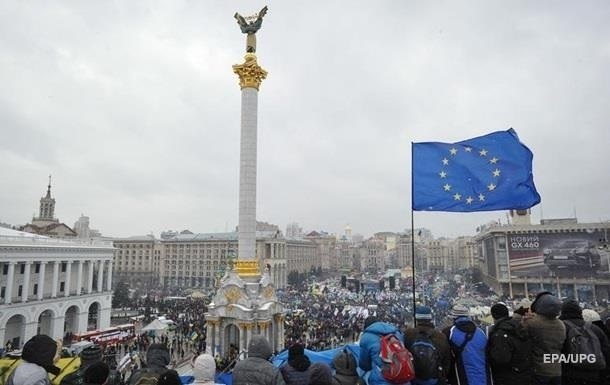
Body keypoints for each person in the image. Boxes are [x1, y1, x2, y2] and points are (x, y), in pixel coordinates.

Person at [559, 299, 609, 385]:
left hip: (570, 374)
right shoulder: (595, 329)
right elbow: (606, 352)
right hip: (593, 374)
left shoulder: (561, 328)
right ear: (579, 311)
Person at [524, 292, 565, 385]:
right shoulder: (561, 324)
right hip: (557, 370)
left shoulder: (532, 323)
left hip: (539, 370)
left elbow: (521, 334)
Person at [486, 302, 532, 385]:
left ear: (493, 316)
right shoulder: (520, 327)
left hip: (508, 377)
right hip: (524, 374)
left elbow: (501, 359)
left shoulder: (500, 333)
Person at [404, 306, 451, 385]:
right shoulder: (440, 336)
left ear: (417, 319)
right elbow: (446, 361)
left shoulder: (408, 334)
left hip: (414, 378)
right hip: (434, 379)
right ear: (430, 319)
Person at [442, 304, 487, 385]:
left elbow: (445, 357)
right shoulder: (481, 332)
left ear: (454, 317)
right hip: (483, 378)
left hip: (461, 379)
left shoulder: (449, 332)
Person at [358, 316, 404, 385]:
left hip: (381, 378)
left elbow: (364, 365)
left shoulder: (366, 337)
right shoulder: (396, 332)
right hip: (402, 374)